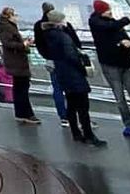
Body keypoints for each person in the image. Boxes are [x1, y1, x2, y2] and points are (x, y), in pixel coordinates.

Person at [43, 9, 106, 147]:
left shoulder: (49, 36)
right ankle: (89, 135)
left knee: (71, 104)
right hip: (73, 74)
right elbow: (71, 55)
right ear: (59, 21)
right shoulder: (63, 37)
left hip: (62, 73)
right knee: (83, 106)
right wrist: (83, 68)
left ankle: (76, 132)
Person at [88, 0, 130, 138]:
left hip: (124, 62)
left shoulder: (113, 23)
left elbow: (126, 38)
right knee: (120, 98)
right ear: (101, 11)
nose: (110, 12)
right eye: (108, 10)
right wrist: (126, 21)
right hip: (110, 64)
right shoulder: (96, 22)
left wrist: (128, 43)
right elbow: (108, 28)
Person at [0, 7, 40, 125]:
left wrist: (23, 43)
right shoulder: (7, 28)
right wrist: (23, 44)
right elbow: (8, 43)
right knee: (22, 88)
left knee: (20, 88)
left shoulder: (6, 27)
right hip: (17, 62)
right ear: (9, 16)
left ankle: (21, 113)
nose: (17, 17)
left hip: (15, 62)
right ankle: (26, 113)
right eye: (15, 15)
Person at [33, 2, 74, 127]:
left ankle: (63, 116)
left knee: (57, 88)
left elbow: (39, 43)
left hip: (51, 60)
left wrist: (47, 56)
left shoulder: (38, 26)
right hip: (66, 60)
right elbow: (73, 41)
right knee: (71, 88)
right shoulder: (62, 25)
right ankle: (74, 115)